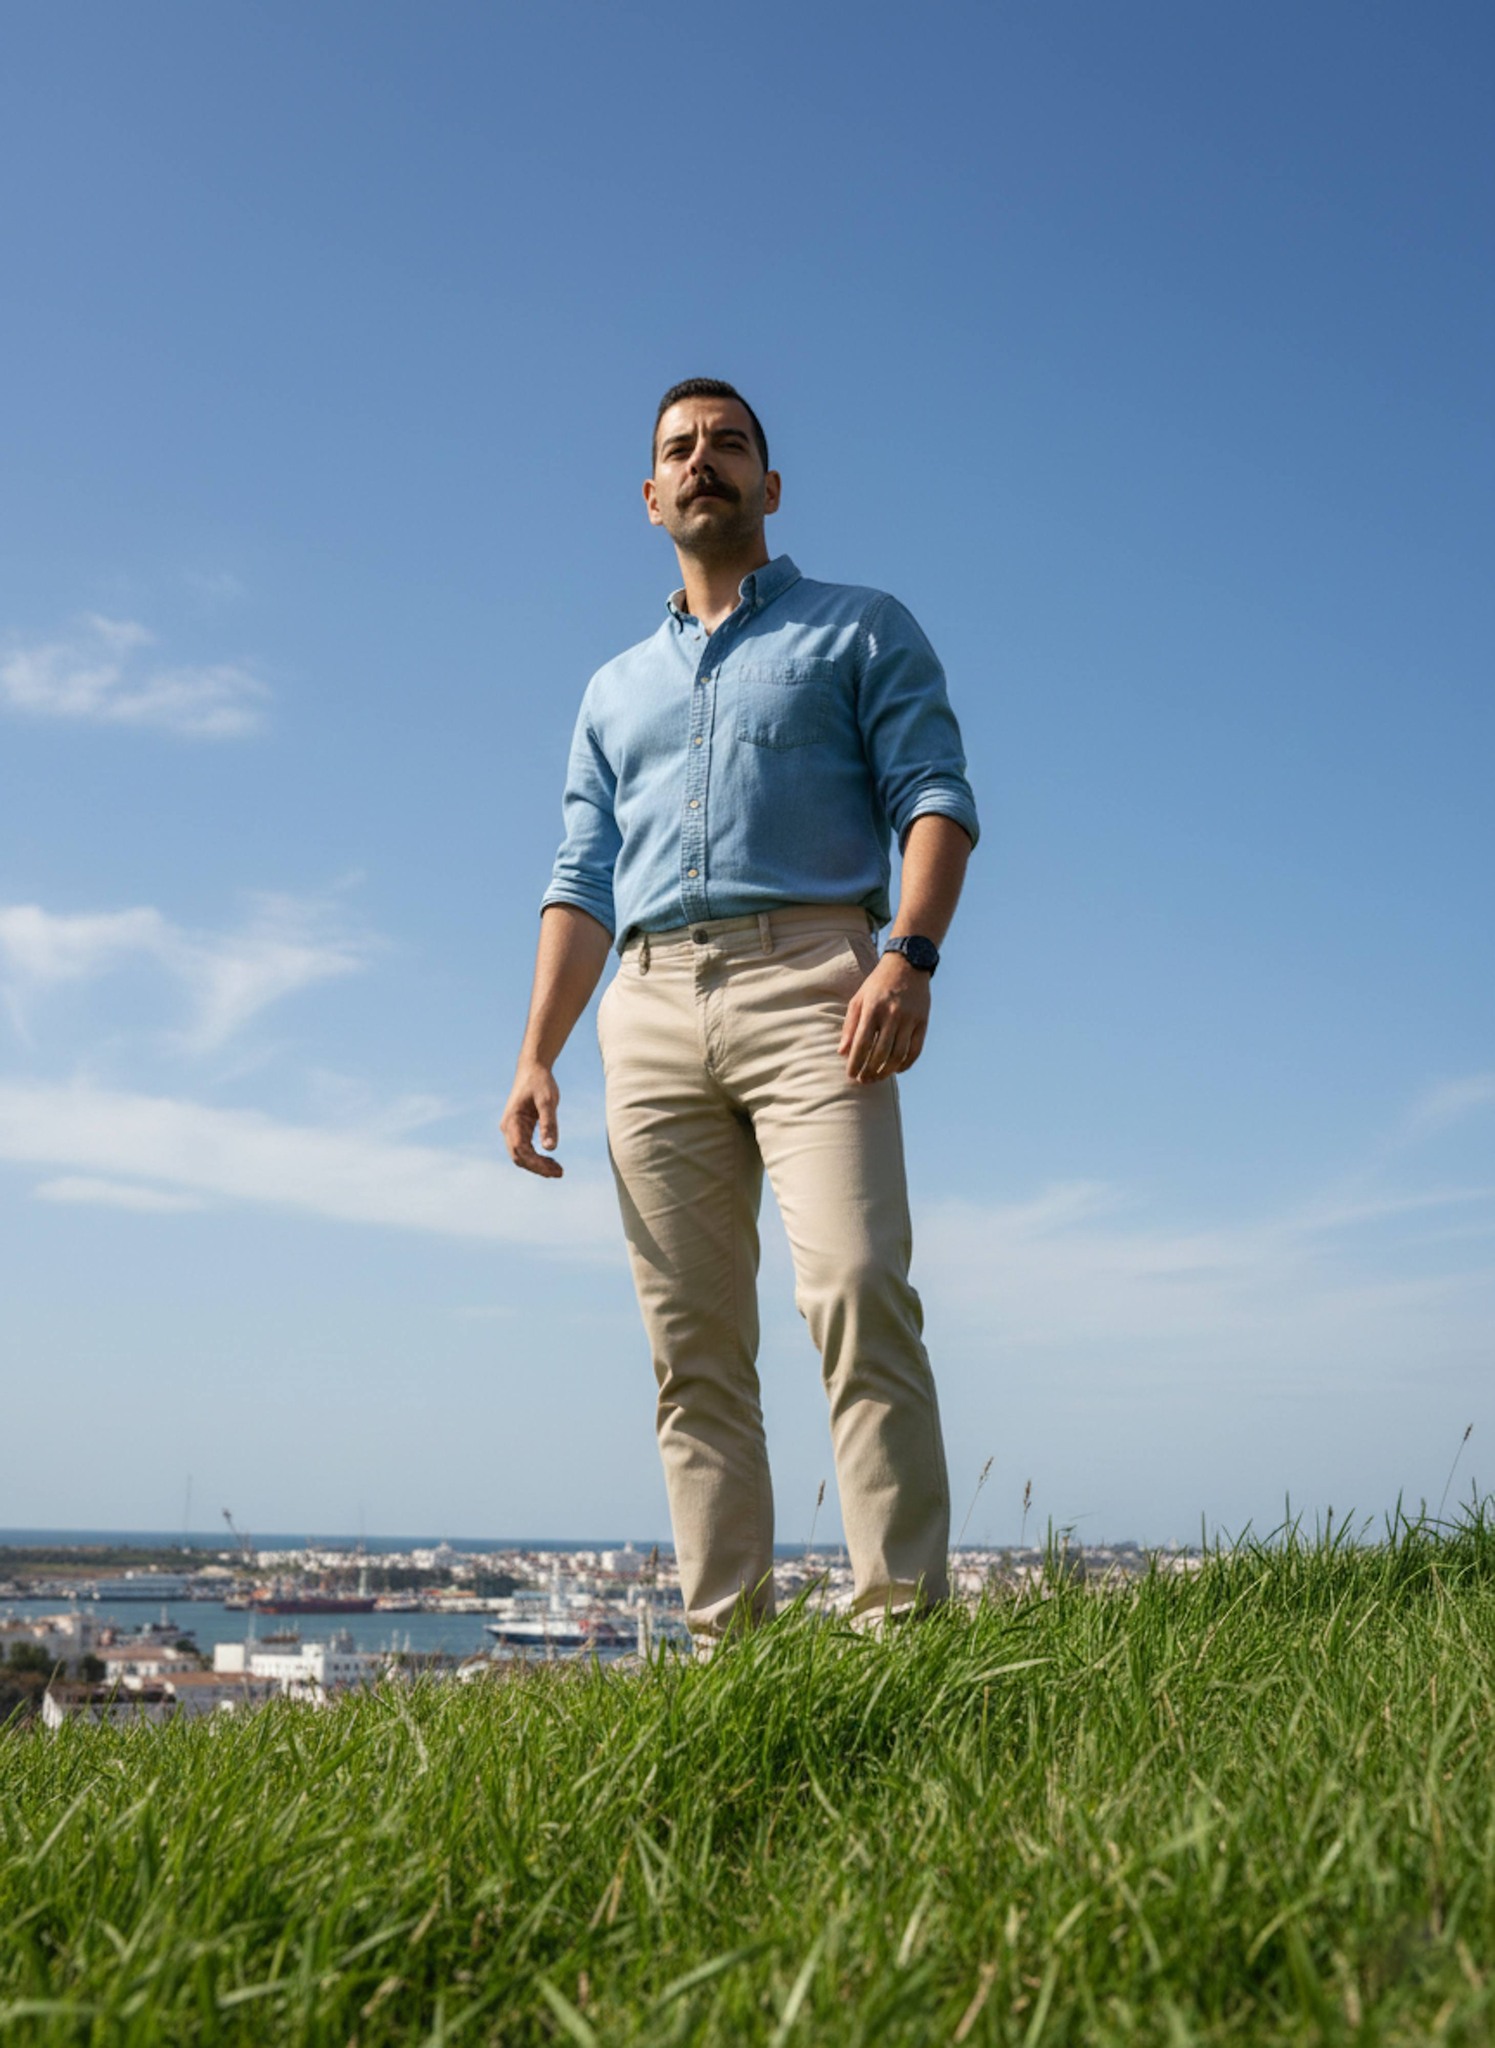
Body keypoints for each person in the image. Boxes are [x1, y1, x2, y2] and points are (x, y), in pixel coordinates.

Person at [501, 377, 979, 1646]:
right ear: (649, 497)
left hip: (820, 982)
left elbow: (935, 795)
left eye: (728, 443)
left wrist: (908, 953)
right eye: (677, 448)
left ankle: (901, 1635)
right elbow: (579, 880)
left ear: (770, 486)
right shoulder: (610, 692)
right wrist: (537, 1050)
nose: (701, 460)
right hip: (647, 1007)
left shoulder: (860, 630)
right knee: (692, 1345)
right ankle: (730, 1655)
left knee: (859, 1283)